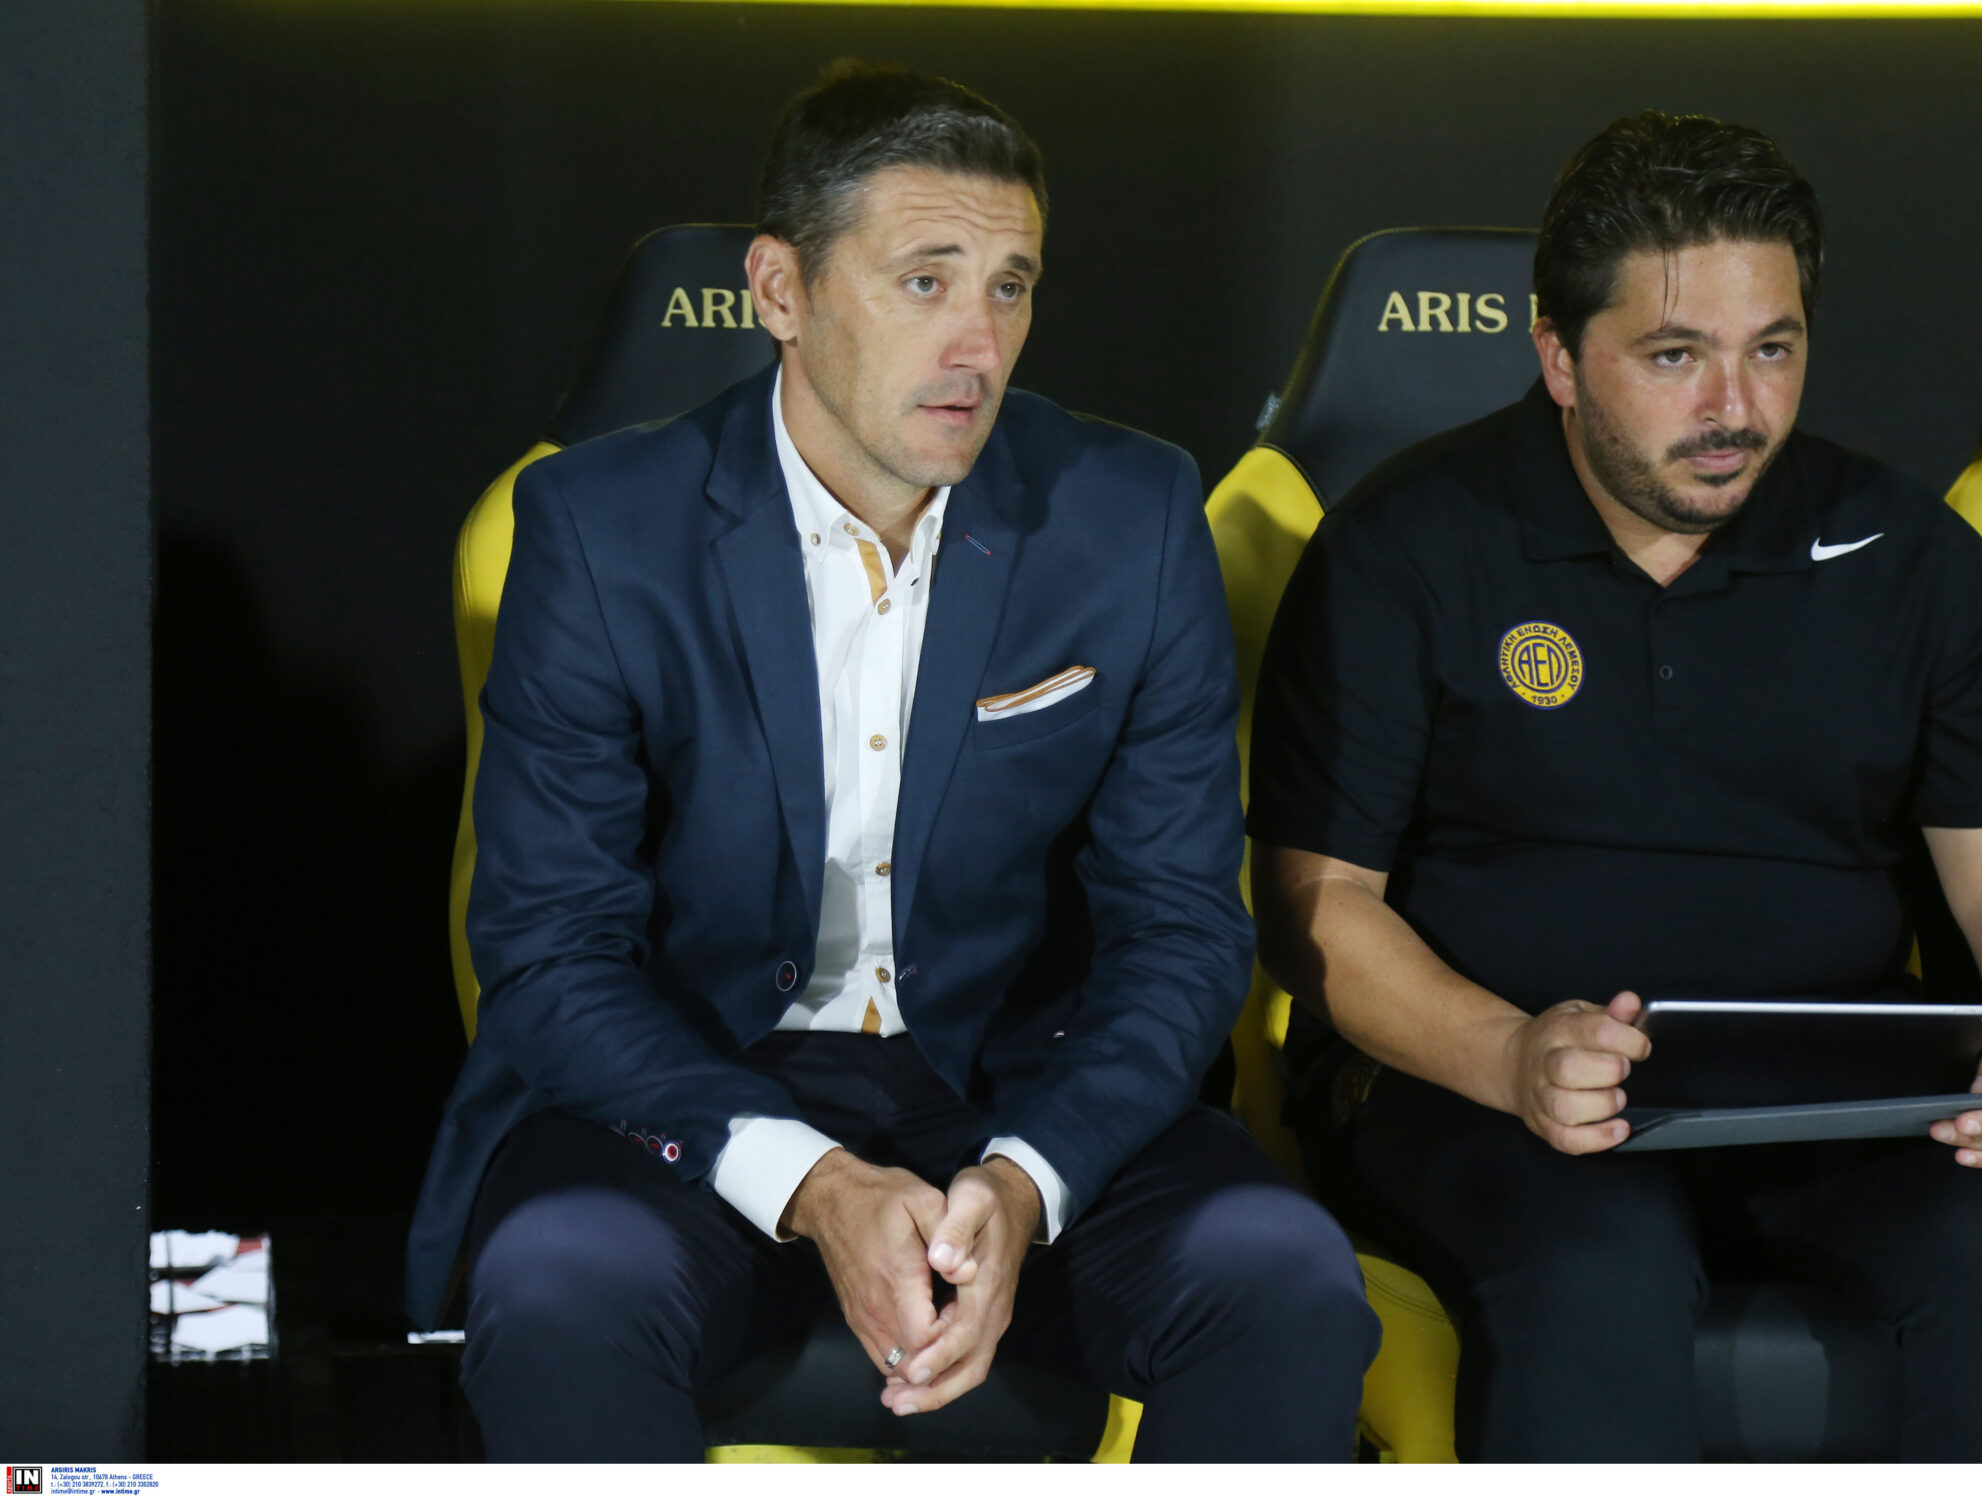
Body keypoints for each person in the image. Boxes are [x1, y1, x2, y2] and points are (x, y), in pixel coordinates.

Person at [404, 60, 1376, 1462]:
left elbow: (1179, 930)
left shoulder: (1131, 515)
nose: (979, 342)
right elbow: (549, 948)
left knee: (1280, 1279)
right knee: (564, 1288)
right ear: (780, 290)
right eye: (926, 281)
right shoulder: (598, 528)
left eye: (1011, 286)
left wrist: (1027, 1177)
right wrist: (812, 1182)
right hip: (689, 1088)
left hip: (1018, 1088)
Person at [1248, 109, 1982, 1462]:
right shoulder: (1406, 545)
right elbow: (1315, 903)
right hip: (1472, 1083)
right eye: (1675, 356)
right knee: (1596, 1264)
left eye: (1772, 349)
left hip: (1826, 1086)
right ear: (1559, 357)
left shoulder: (1910, 554)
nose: (1734, 408)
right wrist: (1509, 1056)